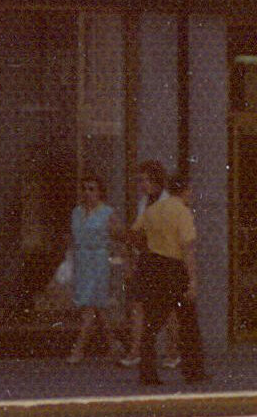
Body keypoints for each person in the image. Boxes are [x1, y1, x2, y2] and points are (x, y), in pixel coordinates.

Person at [124, 160, 207, 387]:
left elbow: (133, 233)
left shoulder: (152, 210)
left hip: (153, 265)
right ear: (185, 190)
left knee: (152, 322)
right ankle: (193, 371)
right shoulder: (183, 212)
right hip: (175, 268)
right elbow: (188, 248)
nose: (191, 195)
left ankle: (147, 372)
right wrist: (192, 280)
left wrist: (146, 248)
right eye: (190, 190)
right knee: (188, 322)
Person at [62, 173, 123, 363]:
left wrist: (118, 257)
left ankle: (78, 349)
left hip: (98, 261)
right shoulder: (77, 212)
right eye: (84, 189)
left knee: (90, 306)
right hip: (82, 261)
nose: (87, 193)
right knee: (96, 306)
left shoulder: (107, 213)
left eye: (92, 189)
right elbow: (73, 238)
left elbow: (119, 235)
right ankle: (113, 344)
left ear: (100, 192)